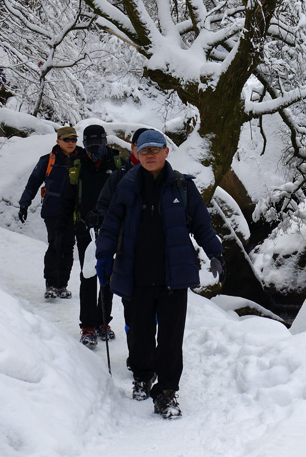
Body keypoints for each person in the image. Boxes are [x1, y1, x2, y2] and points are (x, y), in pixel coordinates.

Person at [94, 128, 225, 419]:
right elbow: (111, 224)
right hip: (135, 274)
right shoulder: (126, 186)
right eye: (145, 150)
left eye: (155, 149)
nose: (150, 154)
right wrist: (103, 256)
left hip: (172, 276)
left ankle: (166, 392)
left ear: (166, 152)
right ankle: (142, 376)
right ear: (137, 154)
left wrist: (216, 253)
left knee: (170, 339)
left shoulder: (182, 187)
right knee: (139, 333)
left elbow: (202, 224)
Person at [18, 125, 85, 299]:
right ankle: (51, 284)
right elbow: (33, 183)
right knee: (55, 244)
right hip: (53, 209)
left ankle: (62, 285)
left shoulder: (84, 158)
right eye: (67, 139)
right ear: (58, 141)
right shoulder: (47, 160)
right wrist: (24, 204)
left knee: (68, 246)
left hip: (74, 211)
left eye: (74, 139)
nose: (71, 143)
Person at [74, 124, 125, 348]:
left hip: (111, 229)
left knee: (107, 274)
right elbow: (68, 197)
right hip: (84, 228)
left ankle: (103, 321)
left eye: (98, 144)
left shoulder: (118, 165)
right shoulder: (77, 165)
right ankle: (87, 325)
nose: (94, 150)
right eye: (90, 146)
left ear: (105, 142)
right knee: (88, 275)